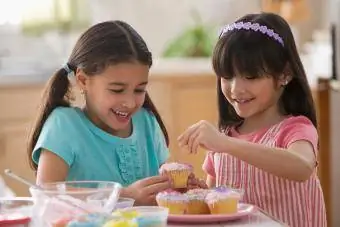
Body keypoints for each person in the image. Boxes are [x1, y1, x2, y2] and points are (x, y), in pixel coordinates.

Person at [178, 12, 326, 227]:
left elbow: (302, 167)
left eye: (251, 77)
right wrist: (196, 193)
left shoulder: (296, 128)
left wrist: (226, 145)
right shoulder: (225, 135)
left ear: (284, 74)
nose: (236, 89)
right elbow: (215, 202)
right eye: (227, 76)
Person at [27, 21, 172, 205]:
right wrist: (123, 195)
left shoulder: (147, 123)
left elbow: (164, 187)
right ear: (83, 80)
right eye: (117, 90)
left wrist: (177, 187)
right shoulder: (64, 125)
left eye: (139, 90)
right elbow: (47, 192)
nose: (129, 102)